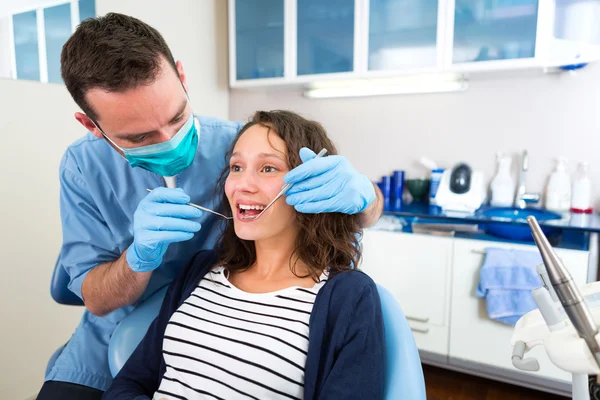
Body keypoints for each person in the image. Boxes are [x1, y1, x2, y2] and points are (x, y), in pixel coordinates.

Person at [38, 13, 383, 400]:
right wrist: (138, 258)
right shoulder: (84, 167)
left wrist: (365, 196)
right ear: (92, 126)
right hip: (121, 337)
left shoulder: (243, 140)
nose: (169, 139)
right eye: (140, 136)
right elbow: (102, 311)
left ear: (182, 77)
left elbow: (356, 206)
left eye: (177, 117)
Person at [103, 110, 385, 400]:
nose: (242, 185)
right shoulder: (201, 270)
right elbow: (128, 385)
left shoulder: (349, 296)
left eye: (268, 169)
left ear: (314, 182)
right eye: (236, 167)